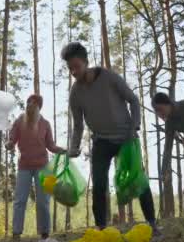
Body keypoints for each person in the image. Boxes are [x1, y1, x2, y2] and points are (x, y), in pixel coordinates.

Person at [62, 42, 158, 232]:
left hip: (126, 138)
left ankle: (152, 224)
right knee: (99, 184)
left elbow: (133, 100)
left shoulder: (109, 77)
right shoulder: (75, 93)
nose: (74, 71)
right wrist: (74, 147)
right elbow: (78, 124)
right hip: (101, 141)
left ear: (86, 62)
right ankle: (101, 228)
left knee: (138, 179)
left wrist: (135, 125)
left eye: (76, 66)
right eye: (70, 68)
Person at [6, 94, 66, 242]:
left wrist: (64, 151)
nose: (29, 105)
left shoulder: (45, 124)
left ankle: (44, 234)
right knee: (20, 200)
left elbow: (51, 146)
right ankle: (16, 233)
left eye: (33, 103)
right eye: (27, 102)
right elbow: (12, 139)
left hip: (42, 166)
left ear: (39, 106)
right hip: (24, 166)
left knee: (43, 201)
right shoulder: (20, 121)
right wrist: (9, 144)